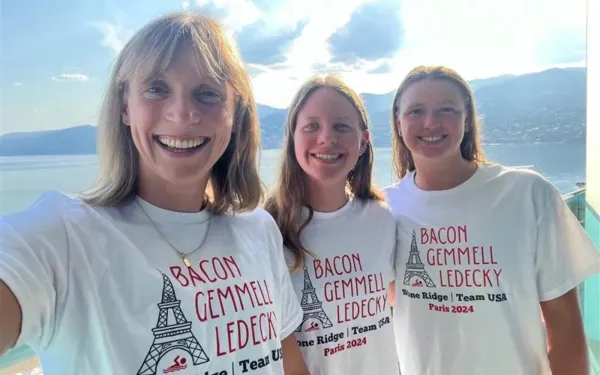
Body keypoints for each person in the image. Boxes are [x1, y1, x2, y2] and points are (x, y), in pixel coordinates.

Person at [0, 13, 310, 375]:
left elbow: (286, 359)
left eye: (207, 93)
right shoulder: (62, 238)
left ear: (235, 113)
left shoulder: (259, 230)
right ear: (125, 107)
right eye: (157, 88)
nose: (183, 113)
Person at [383, 65, 600, 375]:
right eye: (416, 111)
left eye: (446, 109)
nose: (430, 122)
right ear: (398, 121)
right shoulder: (385, 209)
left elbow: (564, 324)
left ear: (467, 118)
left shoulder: (527, 193)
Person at [264, 74, 399, 375]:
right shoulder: (267, 230)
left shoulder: (383, 219)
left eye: (341, 126)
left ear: (363, 142)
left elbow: (396, 304)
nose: (327, 138)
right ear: (293, 138)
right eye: (312, 126)